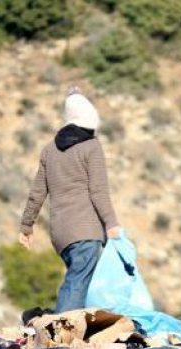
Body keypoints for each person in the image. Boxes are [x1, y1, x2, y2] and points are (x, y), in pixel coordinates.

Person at [18, 87, 121, 313]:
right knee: (77, 284)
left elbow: (37, 192)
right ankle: (62, 337)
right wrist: (111, 223)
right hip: (85, 231)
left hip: (61, 235)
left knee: (78, 282)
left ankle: (71, 332)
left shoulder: (49, 151)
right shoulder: (91, 147)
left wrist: (27, 226)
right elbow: (99, 191)